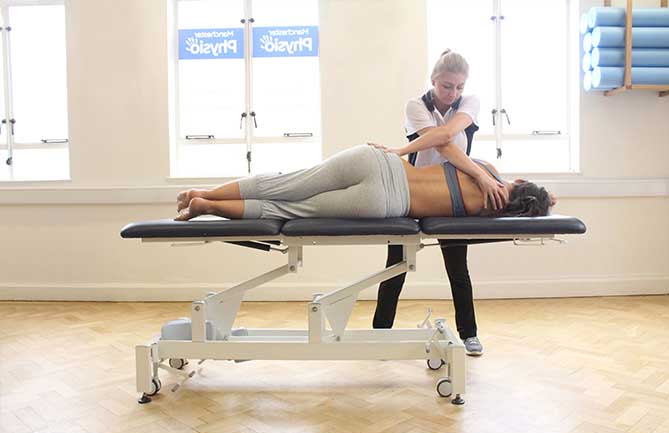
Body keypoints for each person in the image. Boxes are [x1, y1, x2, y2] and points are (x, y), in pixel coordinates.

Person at [372, 49, 499, 357]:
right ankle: (380, 334)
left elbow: (447, 134)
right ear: (433, 80)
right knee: (396, 266)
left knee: (458, 269)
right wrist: (479, 174)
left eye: (458, 87)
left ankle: (469, 334)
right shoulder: (416, 105)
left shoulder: (470, 102)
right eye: (446, 86)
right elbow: (443, 145)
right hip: (414, 194)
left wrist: (401, 150)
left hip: (453, 196)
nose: (452, 93)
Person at [174, 141, 553, 222]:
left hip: (381, 163)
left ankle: (202, 192)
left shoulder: (483, 166)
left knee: (286, 182)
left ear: (516, 179)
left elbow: (446, 143)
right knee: (289, 208)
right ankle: (206, 207)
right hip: (384, 203)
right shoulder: (488, 215)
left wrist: (482, 173)